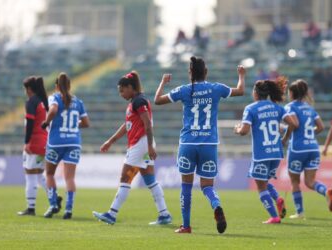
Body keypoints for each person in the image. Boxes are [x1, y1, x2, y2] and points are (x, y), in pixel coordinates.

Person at [154, 56, 245, 233]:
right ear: (206, 72)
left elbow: (157, 100)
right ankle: (216, 205)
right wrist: (241, 75)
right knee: (207, 186)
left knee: (186, 186)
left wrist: (163, 82)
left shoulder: (184, 90)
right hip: (209, 144)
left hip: (188, 143)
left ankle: (186, 226)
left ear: (190, 73)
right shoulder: (216, 88)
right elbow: (240, 91)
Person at [93, 71, 172, 225]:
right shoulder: (135, 102)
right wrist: (111, 141)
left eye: (122, 90)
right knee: (150, 180)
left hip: (140, 144)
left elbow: (147, 124)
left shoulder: (139, 102)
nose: (121, 94)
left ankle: (111, 214)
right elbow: (127, 125)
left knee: (125, 178)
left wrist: (149, 146)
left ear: (130, 87)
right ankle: (164, 214)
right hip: (143, 144)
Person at [234, 77, 298, 224]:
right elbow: (293, 124)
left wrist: (237, 129)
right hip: (276, 153)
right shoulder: (277, 108)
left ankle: (274, 216)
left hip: (261, 154)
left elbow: (244, 131)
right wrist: (285, 140)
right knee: (263, 181)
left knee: (261, 187)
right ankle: (278, 198)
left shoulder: (251, 108)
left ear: (256, 93)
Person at [282, 79, 332, 219]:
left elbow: (294, 124)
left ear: (292, 93)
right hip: (313, 147)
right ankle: (325, 192)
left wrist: (285, 138)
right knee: (310, 182)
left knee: (295, 182)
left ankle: (300, 212)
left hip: (298, 149)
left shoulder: (290, 107)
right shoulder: (310, 108)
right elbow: (321, 127)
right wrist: (310, 134)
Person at [42, 73, 90, 219]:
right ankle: (68, 209)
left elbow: (53, 110)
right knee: (70, 178)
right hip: (74, 143)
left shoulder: (54, 97)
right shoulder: (78, 102)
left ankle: (53, 204)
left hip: (56, 142)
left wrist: (46, 122)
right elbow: (86, 123)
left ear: (57, 86)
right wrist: (73, 127)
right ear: (69, 85)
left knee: (49, 174)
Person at [18, 76, 61, 216]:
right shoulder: (43, 102)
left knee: (30, 175)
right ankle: (54, 197)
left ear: (29, 89)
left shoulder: (31, 102)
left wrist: (26, 142)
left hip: (35, 142)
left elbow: (30, 124)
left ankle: (31, 208)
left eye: (25, 89)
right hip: (44, 142)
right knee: (39, 174)